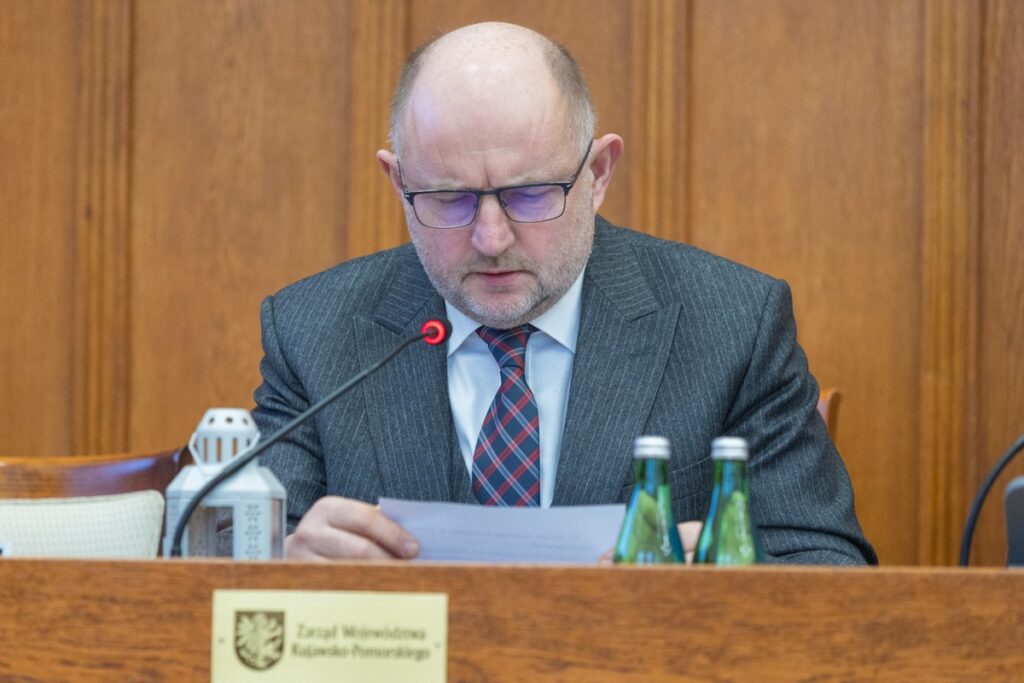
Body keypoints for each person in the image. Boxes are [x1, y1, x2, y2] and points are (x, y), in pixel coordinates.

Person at [252, 22, 876, 565]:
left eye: (530, 194)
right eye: (450, 198)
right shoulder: (313, 333)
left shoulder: (733, 325)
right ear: (398, 182)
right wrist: (283, 565)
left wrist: (728, 577)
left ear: (598, 174)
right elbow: (220, 566)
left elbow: (828, 566)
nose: (491, 238)